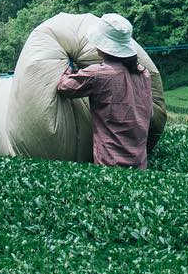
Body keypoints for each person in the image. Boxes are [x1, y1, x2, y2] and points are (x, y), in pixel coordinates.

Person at [55, 12, 157, 169]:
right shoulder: (143, 73)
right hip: (140, 164)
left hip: (109, 164)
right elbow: (149, 114)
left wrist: (68, 68)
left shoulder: (99, 74)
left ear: (103, 48)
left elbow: (64, 87)